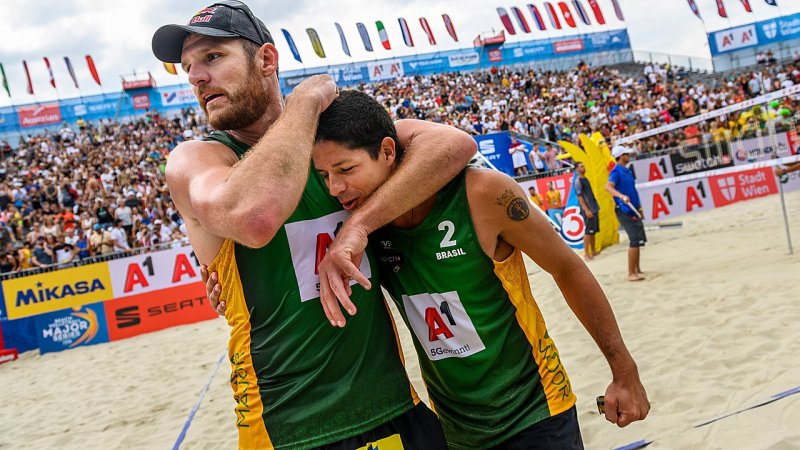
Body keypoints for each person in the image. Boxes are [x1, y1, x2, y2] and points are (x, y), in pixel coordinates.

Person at [206, 91, 650, 448]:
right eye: (324, 176)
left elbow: (568, 269)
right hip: (453, 427)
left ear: (386, 151)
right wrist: (219, 277)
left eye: (345, 169)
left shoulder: (482, 194)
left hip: (534, 411)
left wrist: (623, 370)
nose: (336, 188)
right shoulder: (363, 223)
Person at [152, 2, 474, 448]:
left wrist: (358, 225)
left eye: (212, 57)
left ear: (266, 60)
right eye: (188, 66)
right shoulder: (197, 158)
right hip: (291, 426)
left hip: (394, 403)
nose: (195, 77)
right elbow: (255, 218)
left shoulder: (331, 143)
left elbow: (453, 144)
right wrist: (303, 101)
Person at [606, 145, 646, 282]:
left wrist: (639, 208)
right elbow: (608, 187)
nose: (628, 156)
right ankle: (631, 273)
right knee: (634, 240)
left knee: (639, 240)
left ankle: (637, 269)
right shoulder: (616, 171)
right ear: (621, 156)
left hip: (633, 208)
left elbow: (633, 191)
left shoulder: (627, 171)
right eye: (626, 154)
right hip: (624, 209)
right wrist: (621, 196)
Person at [573, 162, 600, 260]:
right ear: (577, 169)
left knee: (593, 231)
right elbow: (580, 198)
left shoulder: (585, 179)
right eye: (581, 166)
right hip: (588, 209)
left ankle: (593, 251)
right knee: (588, 232)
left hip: (593, 208)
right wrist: (587, 210)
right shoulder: (578, 181)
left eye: (584, 166)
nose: (584, 167)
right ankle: (586, 253)